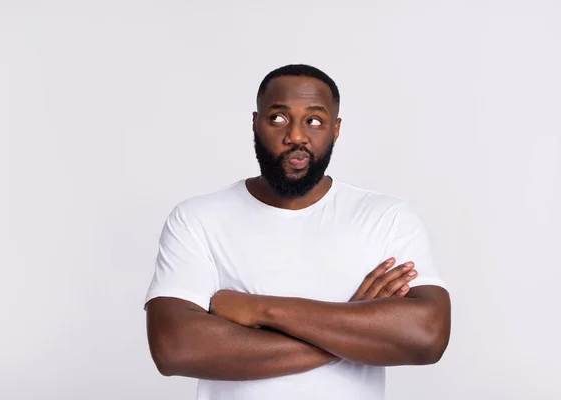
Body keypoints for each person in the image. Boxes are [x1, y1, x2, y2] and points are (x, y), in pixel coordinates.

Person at [144, 64, 451, 400]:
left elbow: (427, 335)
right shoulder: (197, 218)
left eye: (314, 121)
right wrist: (355, 330)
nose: (296, 136)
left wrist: (261, 310)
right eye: (278, 118)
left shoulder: (386, 217)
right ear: (254, 124)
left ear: (335, 130)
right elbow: (175, 348)